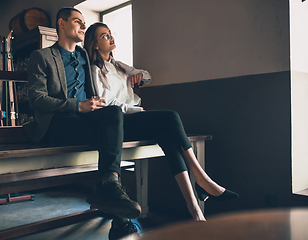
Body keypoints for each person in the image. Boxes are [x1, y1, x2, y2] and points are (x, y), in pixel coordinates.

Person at [83, 22, 239, 222]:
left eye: (110, 34)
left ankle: (195, 210)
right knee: (171, 116)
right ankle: (203, 179)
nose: (111, 38)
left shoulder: (120, 66)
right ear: (95, 44)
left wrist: (139, 77)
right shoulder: (95, 70)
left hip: (136, 117)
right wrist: (137, 110)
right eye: (104, 36)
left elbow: (147, 75)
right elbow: (108, 103)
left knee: (167, 136)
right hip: (121, 122)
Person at [23, 7, 142, 240]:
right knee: (107, 138)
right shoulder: (42, 56)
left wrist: (96, 104)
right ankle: (120, 220)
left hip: (84, 120)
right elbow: (37, 100)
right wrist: (77, 106)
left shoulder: (83, 55)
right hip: (56, 123)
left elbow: (93, 88)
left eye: (84, 23)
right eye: (77, 21)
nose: (83, 26)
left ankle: (110, 185)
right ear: (61, 24)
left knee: (113, 113)